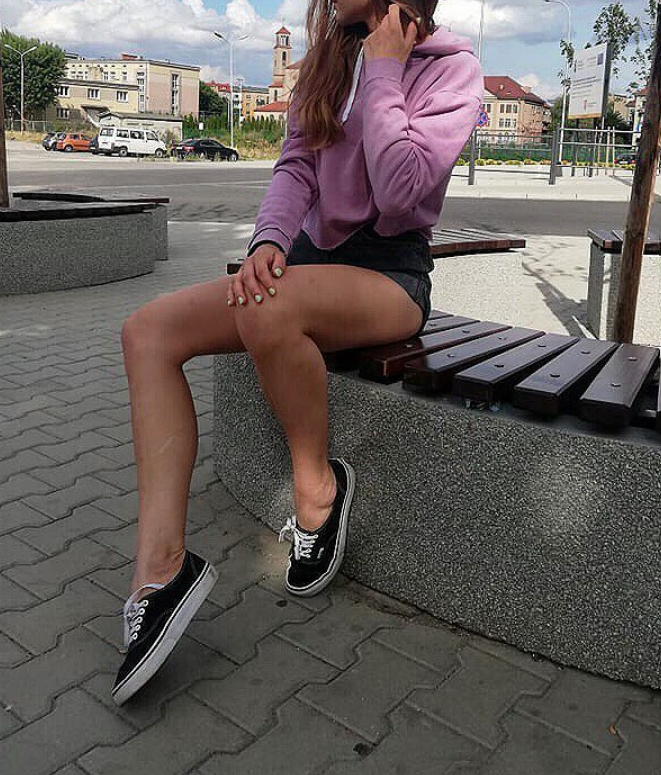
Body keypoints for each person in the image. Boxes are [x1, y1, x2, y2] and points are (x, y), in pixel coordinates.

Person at [111, 0, 483, 705]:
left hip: (388, 275)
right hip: (306, 265)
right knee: (147, 332)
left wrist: (384, 70)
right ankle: (160, 571)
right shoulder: (328, 60)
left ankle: (317, 489)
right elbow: (295, 169)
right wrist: (268, 240)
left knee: (268, 307)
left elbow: (401, 192)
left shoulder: (452, 68)